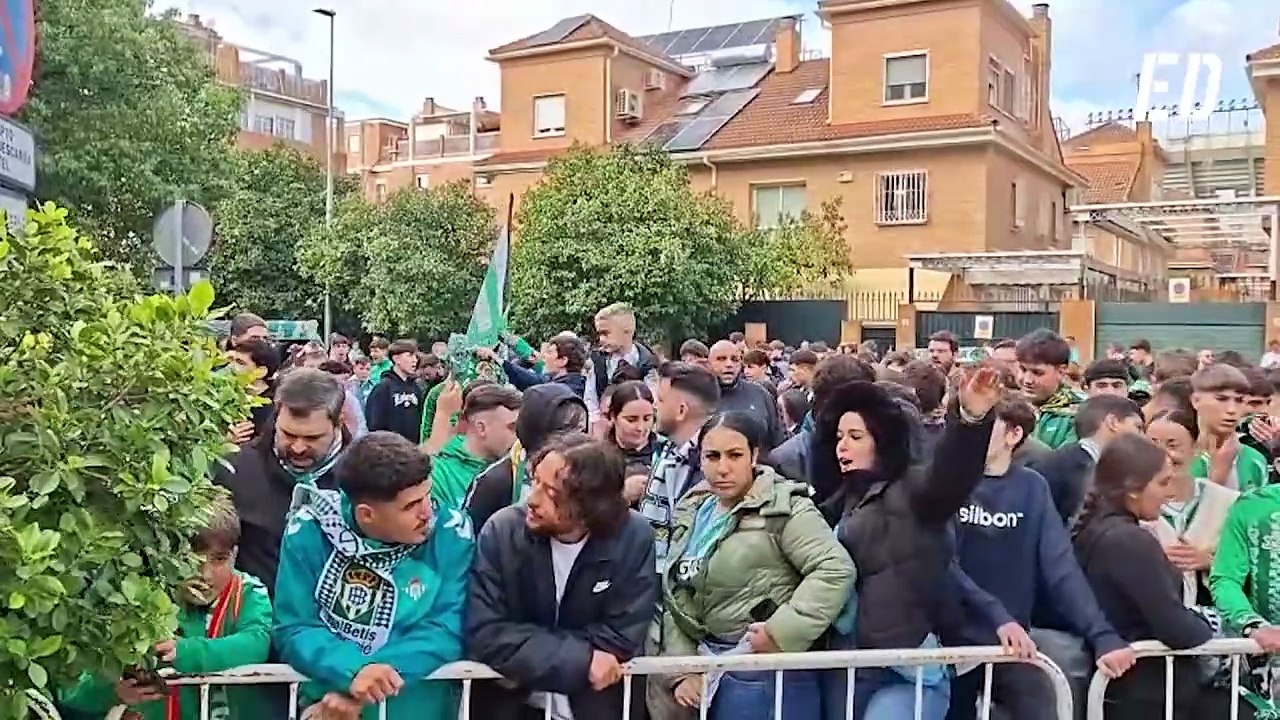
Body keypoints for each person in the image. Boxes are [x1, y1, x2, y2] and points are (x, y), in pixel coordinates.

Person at [811, 368, 1002, 718]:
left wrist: (971, 420)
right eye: (839, 436)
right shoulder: (839, 502)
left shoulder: (912, 490)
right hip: (851, 661)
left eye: (856, 435)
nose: (843, 445)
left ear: (882, 441)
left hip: (909, 668)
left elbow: (950, 476)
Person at [650, 413, 855, 719]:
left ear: (754, 456)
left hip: (766, 676)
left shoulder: (784, 506)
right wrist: (683, 669)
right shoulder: (692, 508)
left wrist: (781, 632)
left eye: (734, 455)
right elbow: (677, 592)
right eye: (712, 456)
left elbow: (834, 569)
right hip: (708, 673)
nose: (723, 468)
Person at [948, 395, 1130, 720]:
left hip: (1013, 646)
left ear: (1013, 434)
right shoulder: (945, 485)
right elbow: (942, 561)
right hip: (948, 644)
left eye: (986, 426)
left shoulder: (1032, 487)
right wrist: (995, 615)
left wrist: (1101, 634)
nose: (973, 434)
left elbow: (1059, 567)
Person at [273, 431, 472, 720]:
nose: (428, 512)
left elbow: (447, 628)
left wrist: (363, 681)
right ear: (367, 515)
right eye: (411, 505)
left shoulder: (452, 532)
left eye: (427, 495)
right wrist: (350, 670)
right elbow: (294, 627)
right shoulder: (309, 530)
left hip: (415, 708)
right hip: (329, 709)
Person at [466, 435, 657, 720]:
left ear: (591, 506)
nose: (532, 499)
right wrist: (582, 659)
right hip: (510, 707)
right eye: (535, 482)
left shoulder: (634, 536)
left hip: (595, 708)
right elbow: (486, 633)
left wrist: (527, 647)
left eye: (552, 494)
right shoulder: (503, 531)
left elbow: (622, 634)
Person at [60, 495, 273, 720]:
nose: (205, 575)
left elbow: (256, 644)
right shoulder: (136, 595)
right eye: (192, 561)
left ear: (235, 555)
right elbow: (71, 688)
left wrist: (184, 652)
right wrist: (114, 691)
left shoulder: (250, 593)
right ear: (169, 557)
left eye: (219, 559)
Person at [1074, 434, 1211, 719]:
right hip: (1147, 693)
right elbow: (1175, 627)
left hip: (1124, 689)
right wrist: (1209, 624)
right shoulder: (1128, 541)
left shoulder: (1097, 530)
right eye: (1162, 483)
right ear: (1133, 489)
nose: (1168, 493)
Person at [216, 369, 350, 595]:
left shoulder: (365, 479)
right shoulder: (234, 469)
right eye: (288, 434)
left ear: (338, 423)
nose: (298, 448)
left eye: (312, 438)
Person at [1145, 409, 1239, 608]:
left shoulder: (1226, 502)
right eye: (1152, 444)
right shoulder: (1133, 501)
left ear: (1196, 447)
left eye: (1173, 445)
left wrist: (1212, 562)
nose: (1162, 454)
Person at [466, 383, 588, 530]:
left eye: (581, 430)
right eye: (566, 433)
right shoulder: (496, 482)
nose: (577, 440)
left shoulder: (593, 475)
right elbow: (472, 541)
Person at [640, 362, 720, 579]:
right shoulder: (668, 449)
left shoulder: (715, 465)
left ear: (681, 410)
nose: (654, 406)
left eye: (661, 400)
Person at [1030, 395, 1145, 524]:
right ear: (1113, 422)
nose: (1143, 437)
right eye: (1138, 427)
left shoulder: (1072, 464)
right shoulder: (1062, 468)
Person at [430, 383, 523, 510]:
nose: (519, 437)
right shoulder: (438, 476)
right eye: (512, 428)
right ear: (481, 428)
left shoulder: (516, 466)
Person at [1189, 363, 1269, 493]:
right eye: (1221, 399)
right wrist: (1217, 479)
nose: (1231, 410)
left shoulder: (1255, 459)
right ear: (1196, 401)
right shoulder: (1177, 457)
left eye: (1239, 400)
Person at [585, 303, 659, 422]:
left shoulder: (648, 363)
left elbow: (654, 405)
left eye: (606, 333)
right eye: (599, 334)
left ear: (627, 331)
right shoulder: (597, 361)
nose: (601, 339)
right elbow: (590, 402)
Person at [707, 339, 786, 452]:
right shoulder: (696, 397)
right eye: (721, 359)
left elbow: (778, 440)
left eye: (735, 360)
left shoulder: (760, 394)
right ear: (708, 363)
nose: (729, 364)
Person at [1017, 329, 1086, 449]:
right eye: (1022, 369)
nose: (1027, 380)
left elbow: (1062, 463)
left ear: (1061, 371)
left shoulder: (1080, 416)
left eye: (1037, 373)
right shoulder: (1005, 409)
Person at [364, 339, 424, 443]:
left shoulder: (416, 388)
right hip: (389, 451)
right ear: (396, 359)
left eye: (415, 356)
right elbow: (374, 425)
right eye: (410, 355)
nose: (415, 360)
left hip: (412, 450)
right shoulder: (382, 388)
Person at [497, 333, 588, 398]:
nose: (544, 356)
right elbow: (529, 379)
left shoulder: (564, 394)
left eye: (549, 352)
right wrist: (498, 360)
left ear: (563, 360)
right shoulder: (553, 382)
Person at [225, 337, 281, 443]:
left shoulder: (271, 410)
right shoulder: (229, 397)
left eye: (240, 363)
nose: (231, 367)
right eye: (231, 360)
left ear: (261, 372)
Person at [606, 380, 660, 470]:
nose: (640, 427)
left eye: (647, 419)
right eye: (631, 420)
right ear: (613, 416)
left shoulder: (666, 454)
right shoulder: (599, 459)